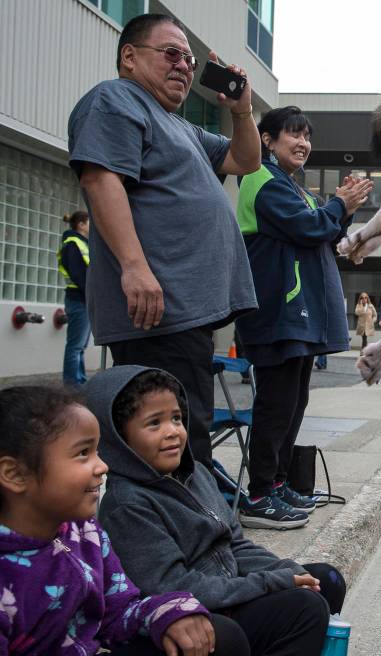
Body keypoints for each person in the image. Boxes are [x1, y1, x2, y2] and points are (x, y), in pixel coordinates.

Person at [67, 13, 261, 467]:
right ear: (129, 57)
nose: (184, 67)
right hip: (156, 308)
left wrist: (242, 110)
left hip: (186, 311)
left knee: (186, 428)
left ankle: (193, 523)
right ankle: (182, 529)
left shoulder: (183, 127)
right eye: (171, 54)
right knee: (168, 437)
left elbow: (245, 160)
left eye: (190, 61)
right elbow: (101, 180)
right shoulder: (115, 99)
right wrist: (135, 267)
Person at [87, 366, 346, 656]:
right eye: (154, 424)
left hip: (232, 592)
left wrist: (284, 571)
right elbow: (175, 586)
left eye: (176, 418)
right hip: (195, 613)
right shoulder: (128, 505)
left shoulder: (197, 473)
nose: (172, 431)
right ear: (120, 440)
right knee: (305, 608)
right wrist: (271, 583)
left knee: (326, 580)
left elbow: (236, 544)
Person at [0, 385, 230, 655]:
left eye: (97, 451)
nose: (102, 466)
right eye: (83, 453)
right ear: (14, 474)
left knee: (219, 635)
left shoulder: (84, 532)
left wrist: (166, 613)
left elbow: (117, 610)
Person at [233, 106, 370, 529]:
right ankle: (259, 493)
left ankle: (276, 483)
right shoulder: (259, 177)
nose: (303, 143)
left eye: (307, 136)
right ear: (268, 140)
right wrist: (337, 205)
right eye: (293, 134)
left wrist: (341, 210)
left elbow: (323, 228)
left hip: (298, 312)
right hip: (278, 310)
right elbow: (310, 228)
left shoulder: (291, 185)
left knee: (293, 400)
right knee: (276, 402)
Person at [58, 210, 92, 386]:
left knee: (80, 346)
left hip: (82, 299)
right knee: (75, 346)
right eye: (89, 222)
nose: (91, 226)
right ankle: (72, 385)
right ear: (81, 224)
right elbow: (79, 275)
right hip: (78, 299)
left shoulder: (82, 243)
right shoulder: (73, 243)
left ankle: (79, 382)